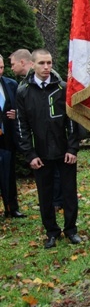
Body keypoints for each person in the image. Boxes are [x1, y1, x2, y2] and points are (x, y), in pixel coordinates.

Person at [16, 49, 81, 248]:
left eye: (49, 63)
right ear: (33, 65)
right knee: (45, 194)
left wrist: (72, 148)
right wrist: (30, 154)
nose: (46, 67)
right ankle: (51, 231)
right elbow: (22, 125)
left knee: (69, 192)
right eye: (42, 63)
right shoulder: (24, 91)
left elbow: (72, 120)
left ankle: (71, 229)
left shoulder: (62, 88)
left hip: (64, 152)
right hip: (41, 154)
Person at [0, 55, 25, 218]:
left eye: (1, 67)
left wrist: (16, 113)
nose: (0, 71)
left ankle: (11, 207)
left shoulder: (11, 84)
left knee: (8, 173)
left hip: (7, 138)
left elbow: (20, 108)